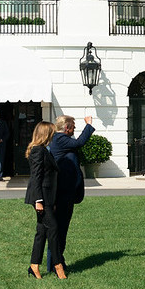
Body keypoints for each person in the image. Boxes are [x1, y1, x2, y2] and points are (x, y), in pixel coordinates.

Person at [49, 115, 94, 274]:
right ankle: (56, 264)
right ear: (66, 127)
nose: (74, 129)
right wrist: (88, 125)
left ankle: (57, 261)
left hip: (65, 192)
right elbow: (79, 142)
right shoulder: (60, 138)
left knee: (61, 230)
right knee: (59, 230)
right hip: (61, 193)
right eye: (73, 126)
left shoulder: (61, 139)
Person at [25, 122, 66, 279]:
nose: (54, 135)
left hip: (48, 197)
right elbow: (36, 177)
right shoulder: (38, 151)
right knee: (53, 228)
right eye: (52, 133)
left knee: (41, 232)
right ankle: (58, 265)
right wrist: (39, 200)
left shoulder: (44, 150)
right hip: (41, 197)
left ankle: (34, 266)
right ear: (46, 134)